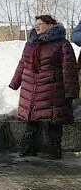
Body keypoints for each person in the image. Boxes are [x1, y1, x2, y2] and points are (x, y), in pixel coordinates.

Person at [9, 15, 78, 159]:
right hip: (31, 90)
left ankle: (54, 152)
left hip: (52, 91)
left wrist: (71, 92)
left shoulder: (62, 44)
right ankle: (28, 150)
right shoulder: (30, 44)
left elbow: (69, 70)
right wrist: (15, 82)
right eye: (36, 24)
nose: (37, 26)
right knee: (31, 122)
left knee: (54, 123)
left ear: (51, 25)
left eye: (40, 23)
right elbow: (22, 64)